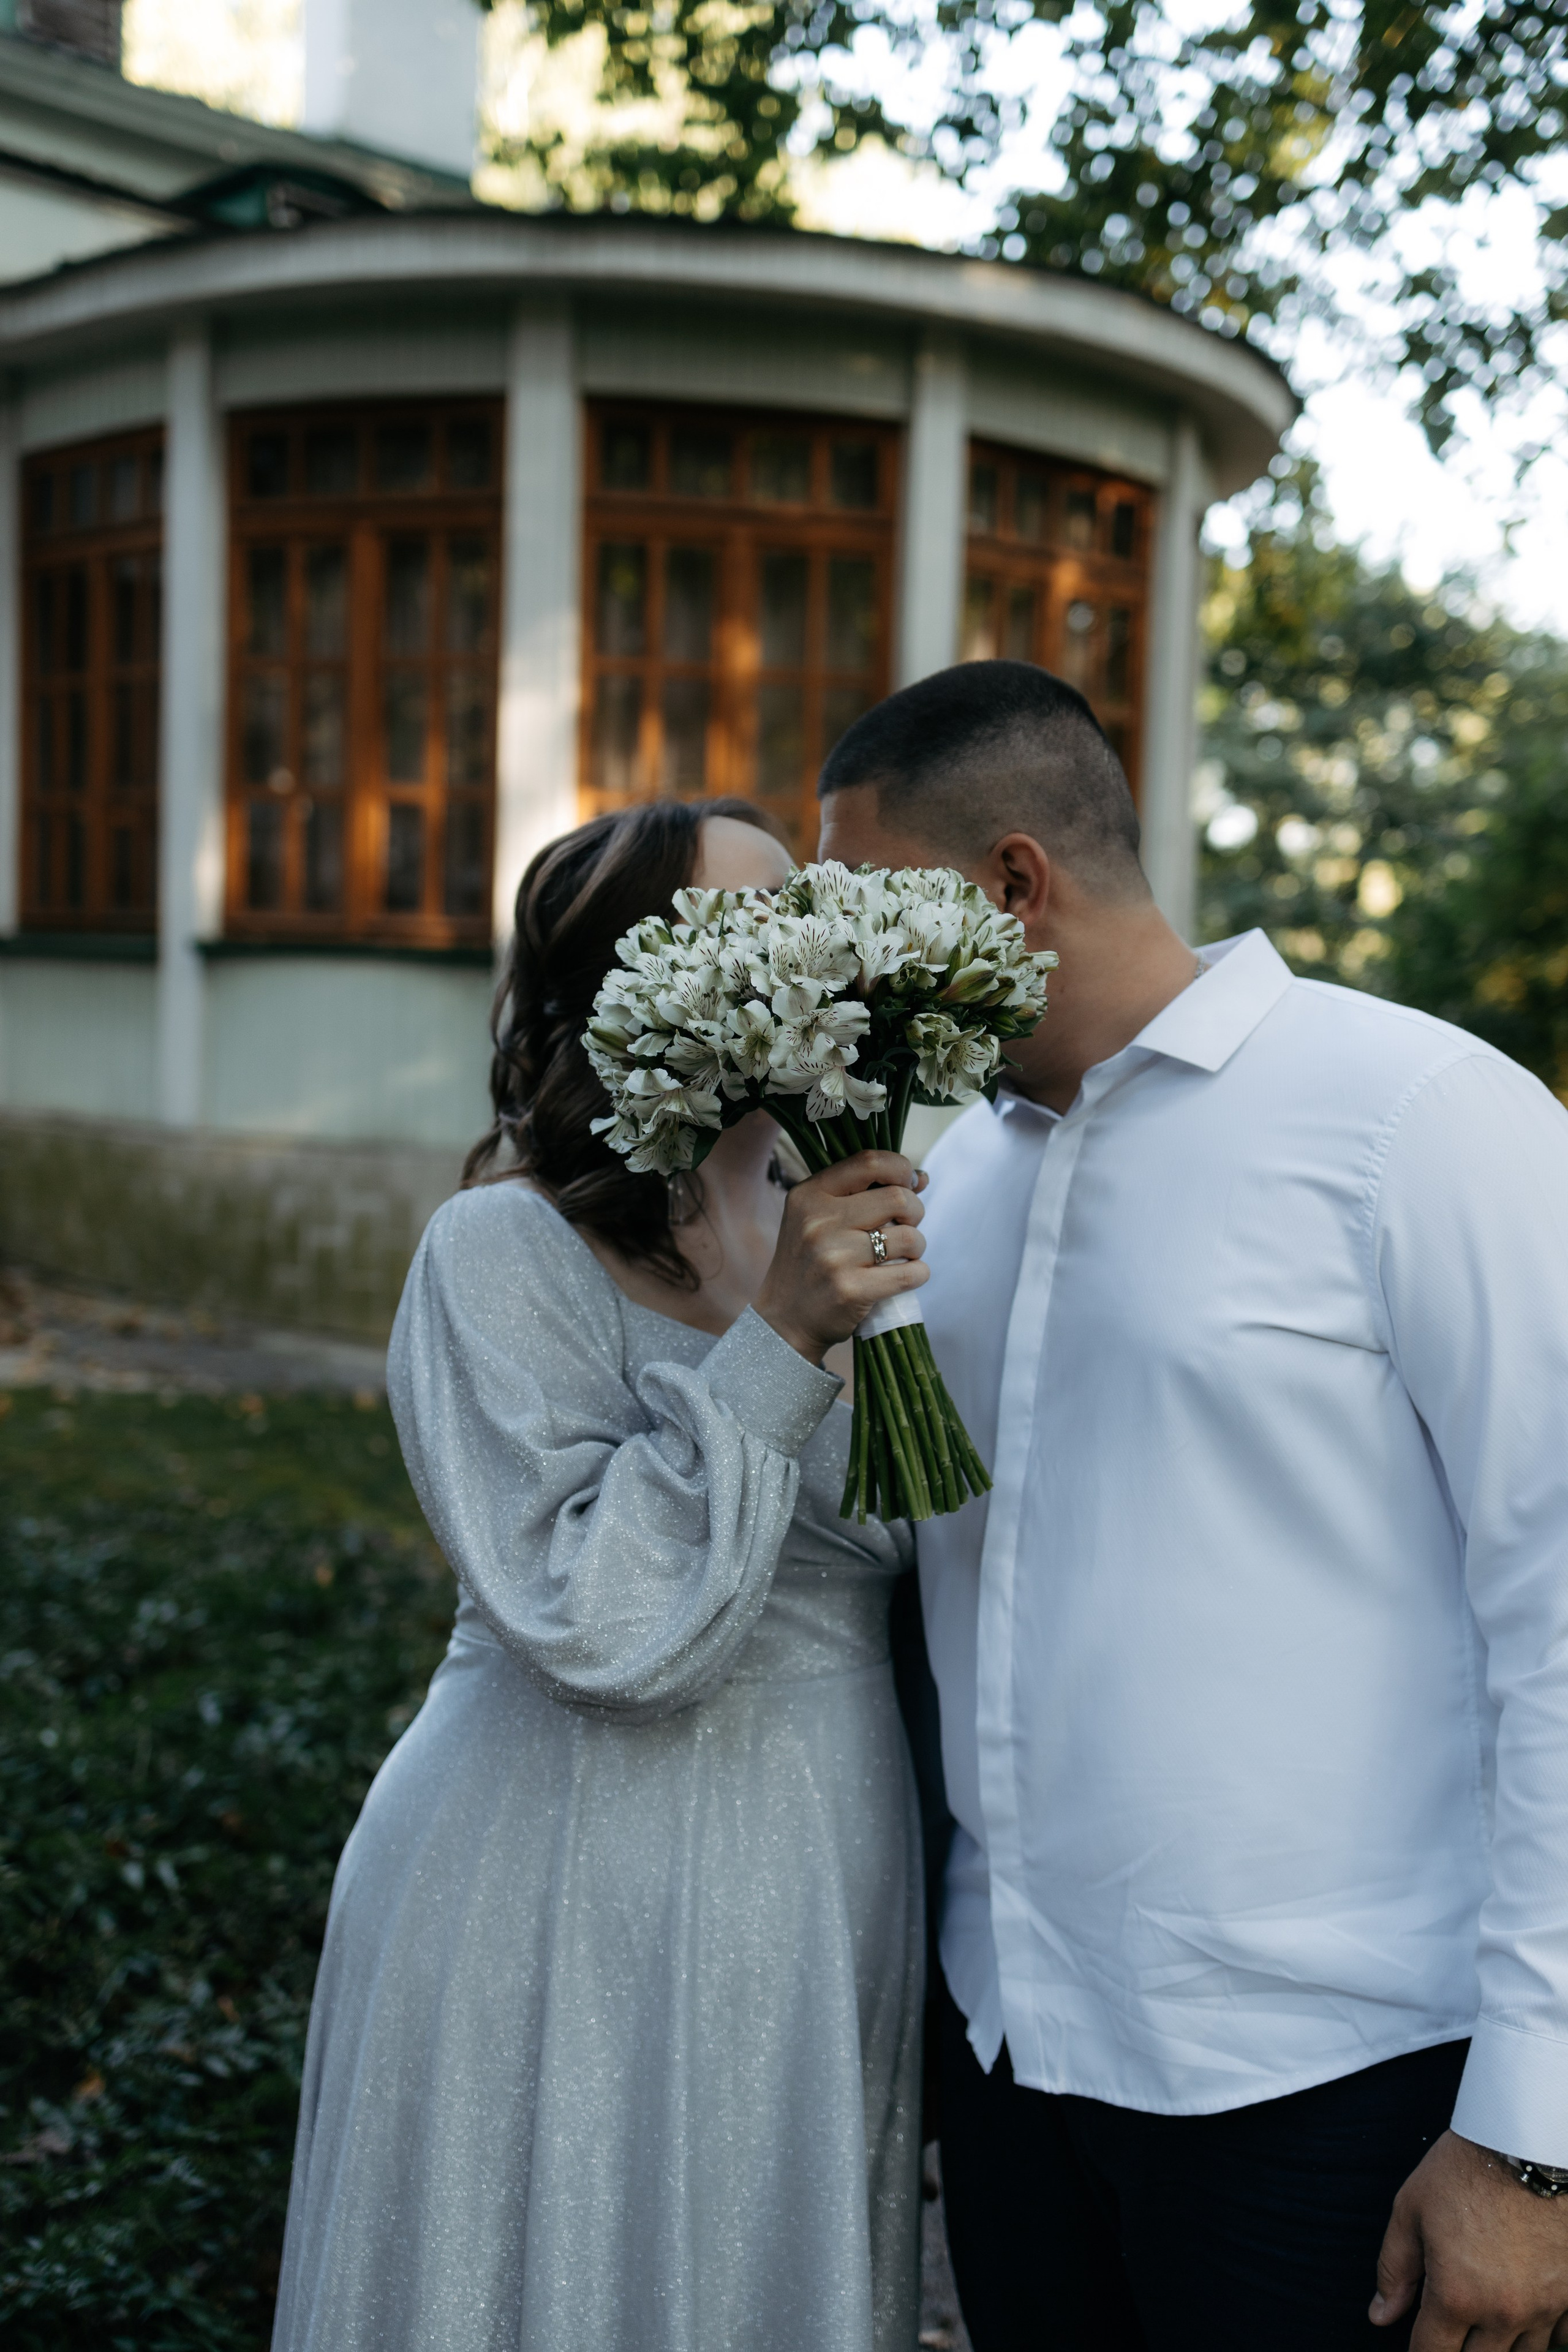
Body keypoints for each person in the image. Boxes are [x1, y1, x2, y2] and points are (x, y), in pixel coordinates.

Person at [817, 659, 1568, 2352]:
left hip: (1344, 2096)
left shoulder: (1421, 1120)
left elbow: (1562, 1614)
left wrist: (1532, 2144)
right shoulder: (951, 1192)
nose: (834, 969)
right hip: (1017, 2079)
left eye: (861, 908)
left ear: (1011, 883)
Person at [271, 797, 933, 2352]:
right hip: (554, 1873)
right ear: (632, 982)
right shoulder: (498, 1251)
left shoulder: (865, 1211)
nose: (806, 958)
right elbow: (602, 1624)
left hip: (820, 1865)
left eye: (810, 921)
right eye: (750, 929)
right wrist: (780, 1343)